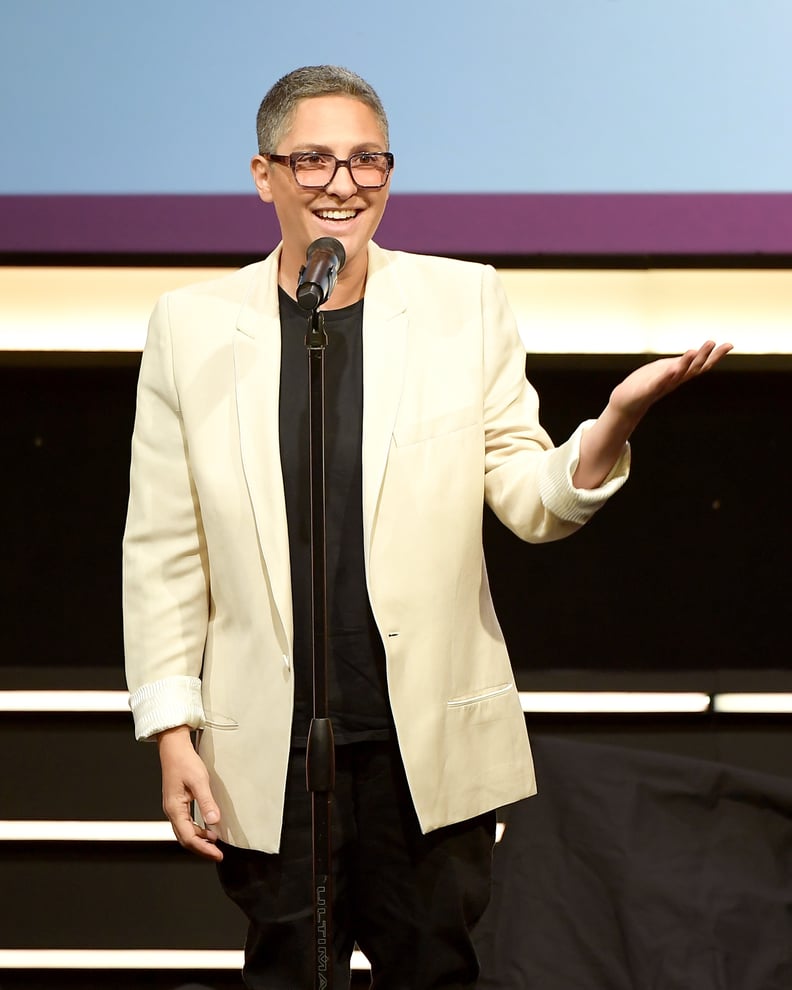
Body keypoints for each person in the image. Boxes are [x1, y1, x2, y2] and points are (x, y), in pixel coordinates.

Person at [123, 65, 731, 989]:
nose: (344, 183)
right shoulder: (192, 327)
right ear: (264, 175)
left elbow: (529, 499)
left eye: (368, 160)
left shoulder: (462, 302)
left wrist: (609, 428)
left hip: (427, 749)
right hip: (271, 755)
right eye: (315, 160)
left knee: (438, 971)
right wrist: (173, 732)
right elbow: (165, 547)